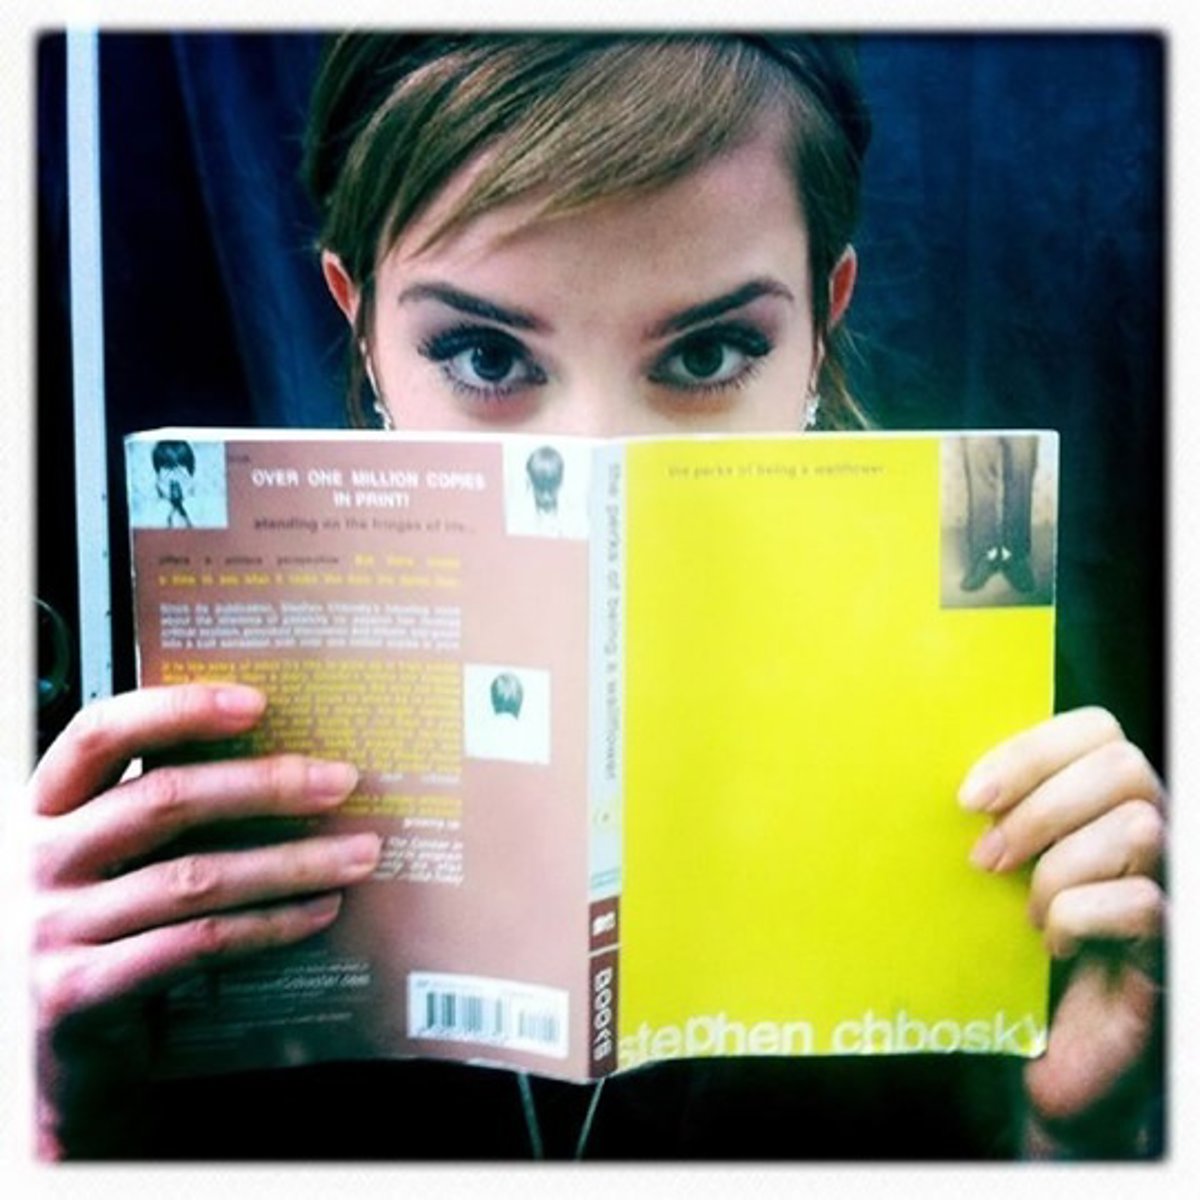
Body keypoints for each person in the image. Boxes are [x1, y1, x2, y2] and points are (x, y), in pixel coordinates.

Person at [30, 33, 1165, 1160]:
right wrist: (58, 1123)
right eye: (485, 357)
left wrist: (1082, 1138)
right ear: (360, 326)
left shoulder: (992, 723)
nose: (590, 466)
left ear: (822, 326)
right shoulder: (190, 756)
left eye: (708, 355)